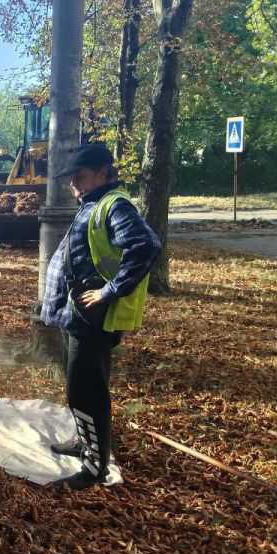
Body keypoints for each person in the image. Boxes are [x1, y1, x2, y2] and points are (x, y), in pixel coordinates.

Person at [40, 144, 160, 491]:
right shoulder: (93, 203)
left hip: (94, 318)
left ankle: (94, 467)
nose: (74, 184)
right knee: (79, 387)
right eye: (71, 178)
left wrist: (109, 290)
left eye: (81, 176)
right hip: (79, 315)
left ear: (104, 172)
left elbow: (145, 245)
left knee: (86, 392)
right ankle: (85, 442)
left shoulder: (114, 205)